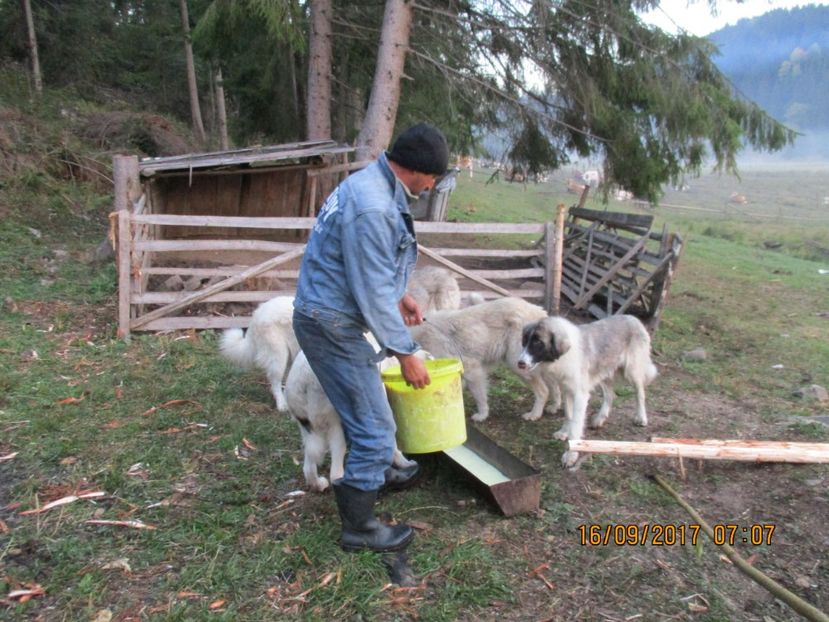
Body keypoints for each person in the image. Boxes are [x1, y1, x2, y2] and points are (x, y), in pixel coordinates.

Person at [292, 123, 449, 553]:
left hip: (325, 311)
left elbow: (365, 266)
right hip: (331, 323)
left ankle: (377, 472)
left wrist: (401, 295)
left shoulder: (367, 182)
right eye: (435, 176)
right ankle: (359, 526)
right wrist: (406, 352)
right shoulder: (374, 207)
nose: (435, 183)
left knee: (371, 407)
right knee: (375, 428)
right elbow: (372, 291)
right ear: (417, 171)